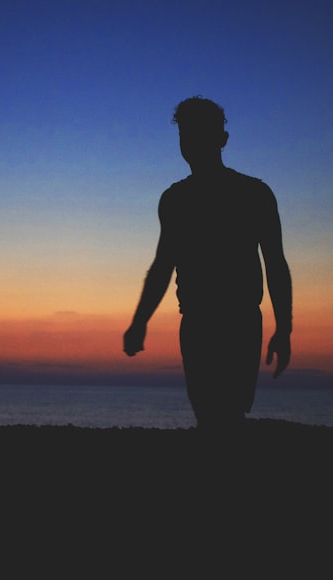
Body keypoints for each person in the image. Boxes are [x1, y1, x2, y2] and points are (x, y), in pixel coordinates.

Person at [123, 96, 292, 429]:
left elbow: (275, 263)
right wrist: (140, 320)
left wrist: (284, 328)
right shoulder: (175, 200)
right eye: (186, 135)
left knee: (224, 416)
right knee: (210, 416)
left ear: (222, 140)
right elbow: (162, 266)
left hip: (239, 321)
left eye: (198, 134)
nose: (191, 143)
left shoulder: (254, 194)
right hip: (197, 322)